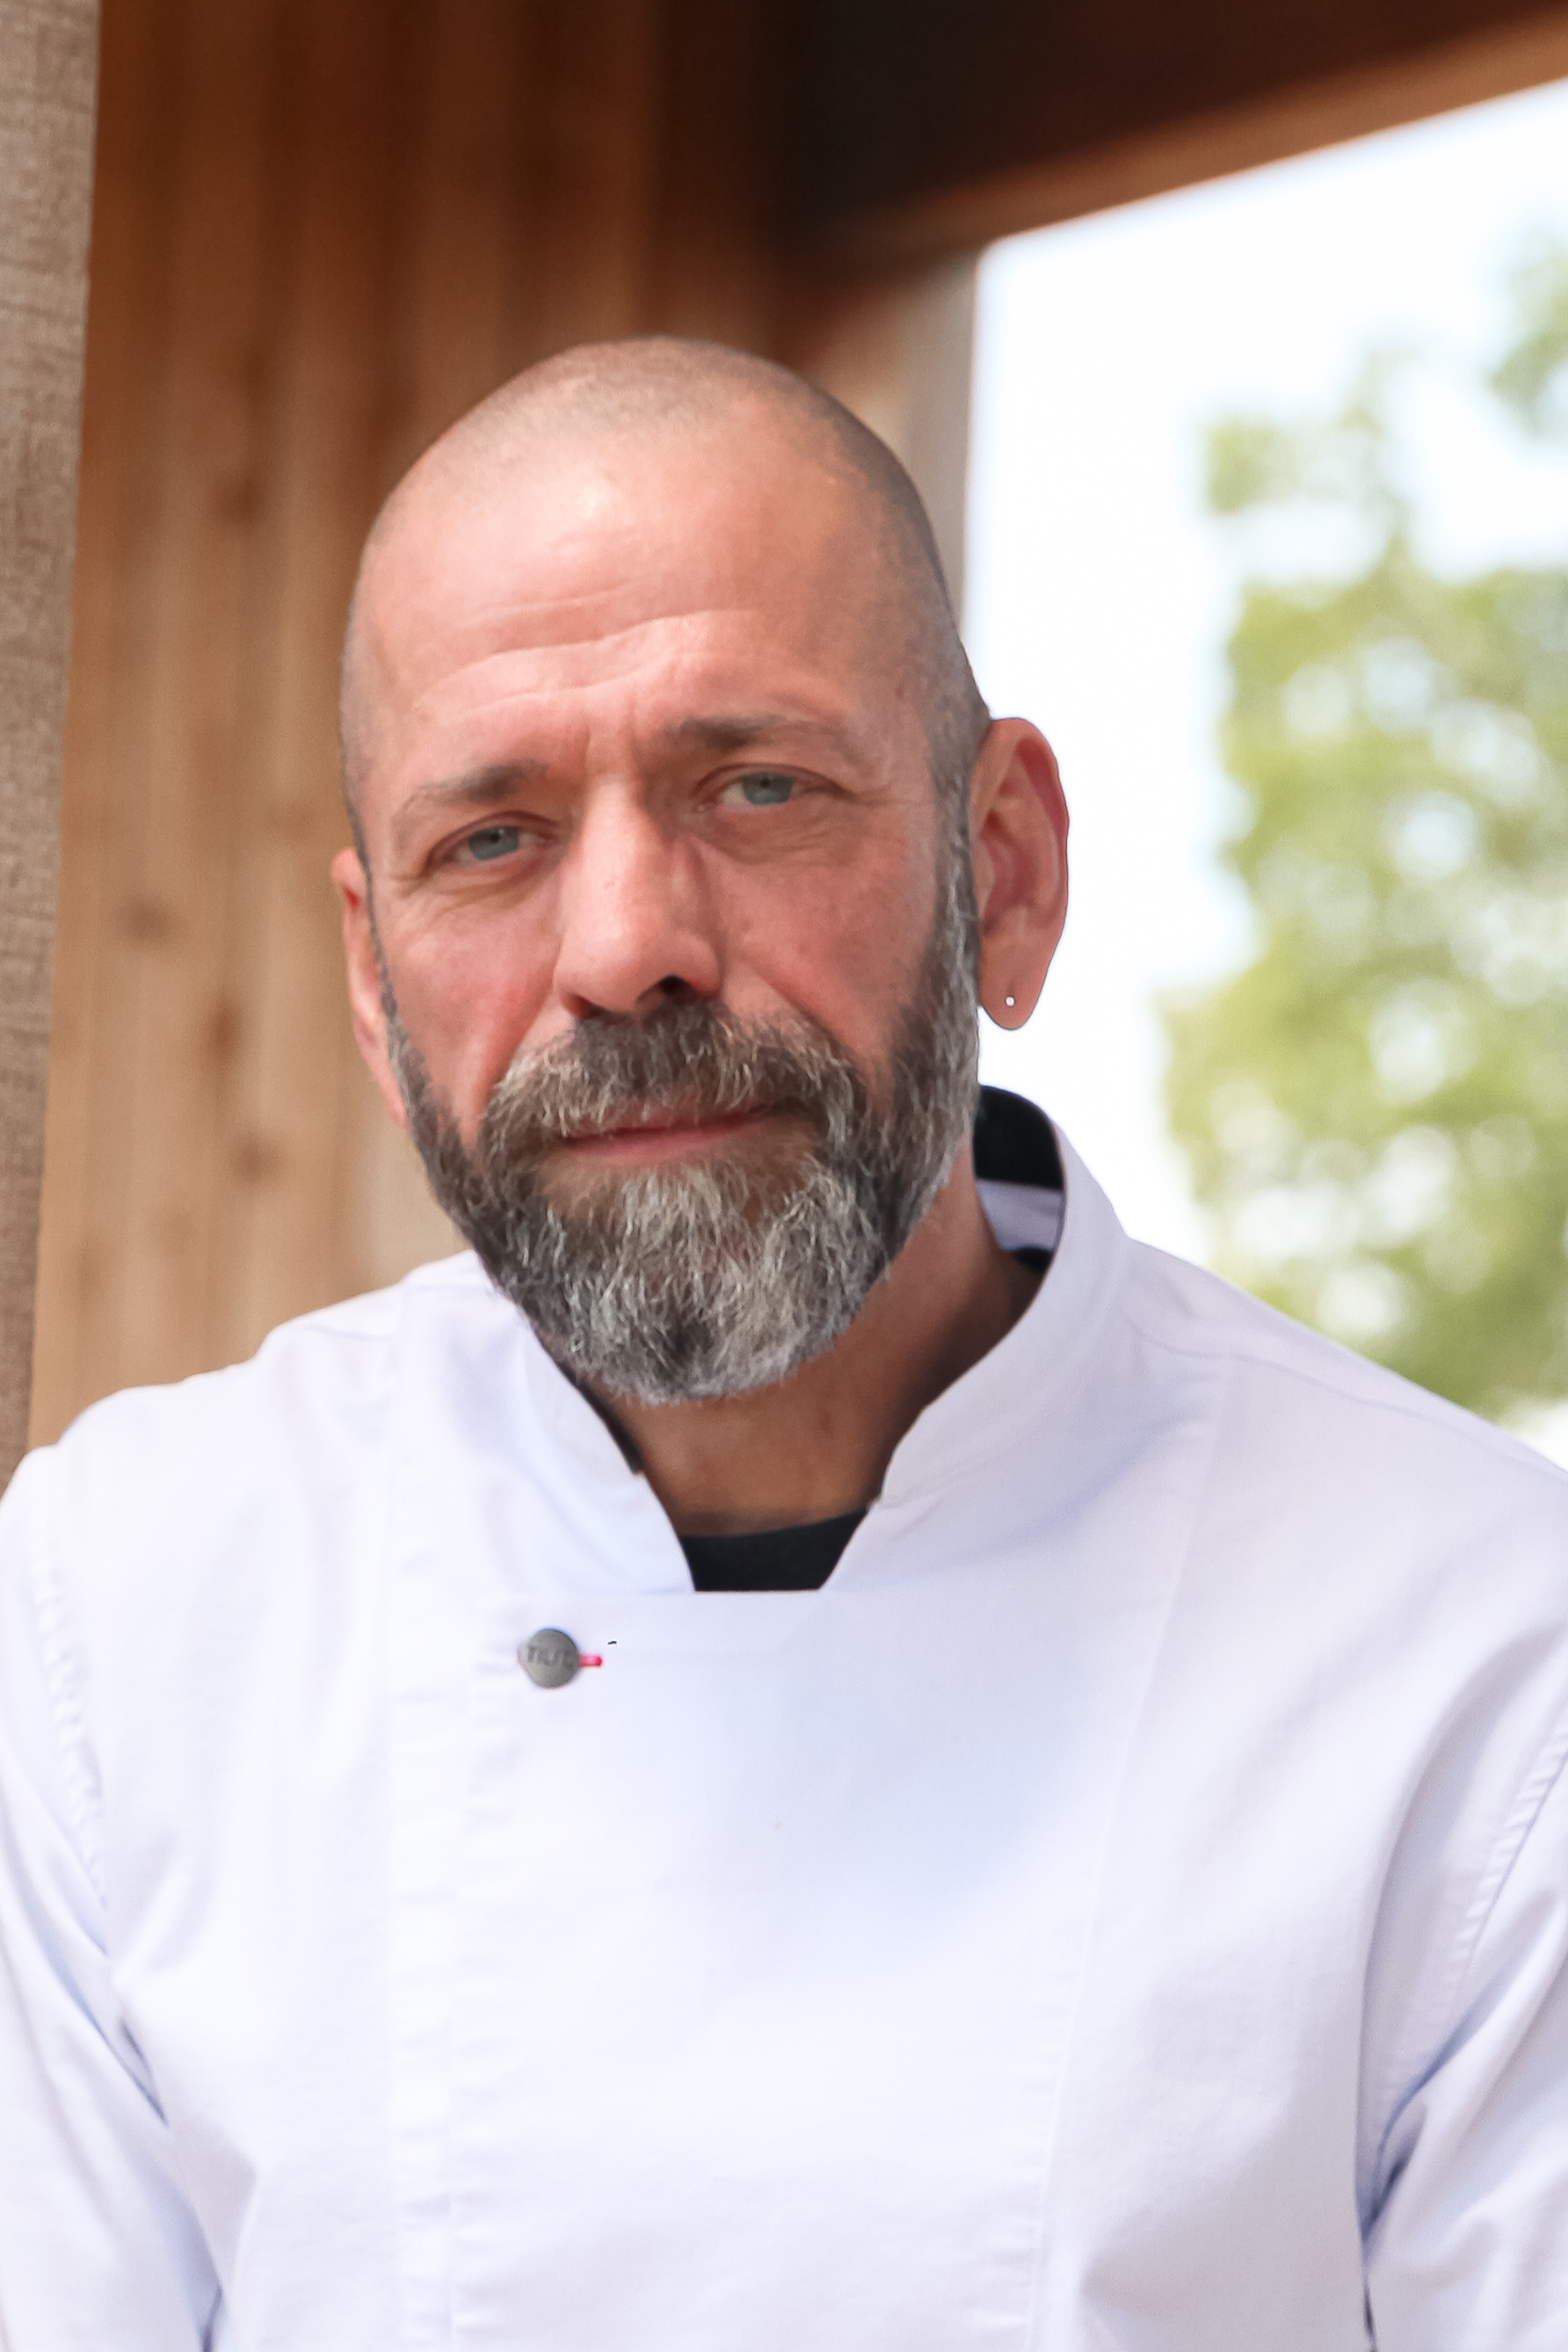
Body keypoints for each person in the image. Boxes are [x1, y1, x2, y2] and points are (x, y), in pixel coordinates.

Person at [1, 338, 1565, 2352]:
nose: (623, 945)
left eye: (755, 786)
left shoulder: (1479, 1652)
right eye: (490, 837)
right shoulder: (114, 1610)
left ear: (1001, 868)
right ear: (378, 996)